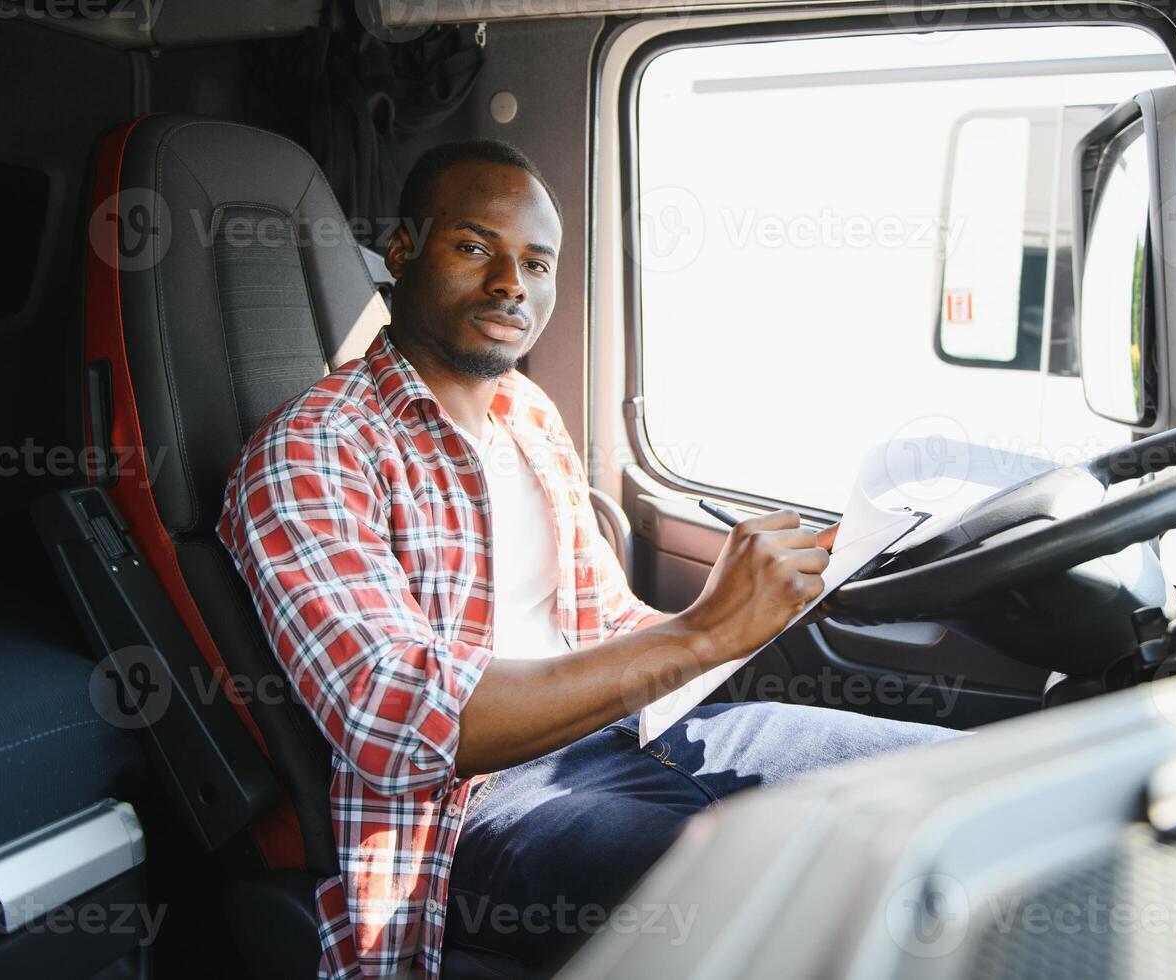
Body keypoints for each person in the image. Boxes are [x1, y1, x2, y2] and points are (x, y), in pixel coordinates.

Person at [218, 138, 962, 980]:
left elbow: (603, 623)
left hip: (634, 729)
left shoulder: (527, 416)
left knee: (947, 790)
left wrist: (775, 591)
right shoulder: (313, 448)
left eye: (536, 263)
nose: (511, 284)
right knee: (796, 895)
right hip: (473, 807)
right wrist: (698, 636)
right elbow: (401, 724)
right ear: (402, 251)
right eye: (474, 247)